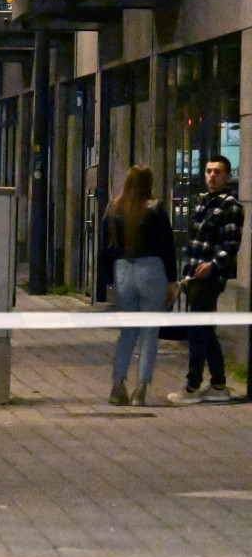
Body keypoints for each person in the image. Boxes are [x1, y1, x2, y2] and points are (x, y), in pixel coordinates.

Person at [101, 164, 178, 407]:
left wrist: (107, 282)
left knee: (127, 331)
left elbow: (106, 250)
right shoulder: (155, 210)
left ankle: (117, 384)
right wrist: (172, 281)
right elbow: (168, 248)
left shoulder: (114, 209)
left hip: (123, 269)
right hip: (151, 270)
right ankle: (141, 388)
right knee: (149, 333)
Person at [173, 155, 242, 402]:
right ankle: (219, 385)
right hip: (195, 275)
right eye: (209, 171)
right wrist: (187, 272)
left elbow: (231, 244)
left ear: (227, 175)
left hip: (210, 277)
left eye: (218, 172)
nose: (212, 176)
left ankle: (192, 386)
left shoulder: (230, 205)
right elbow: (194, 242)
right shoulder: (203, 202)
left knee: (197, 329)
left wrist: (212, 266)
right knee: (205, 328)